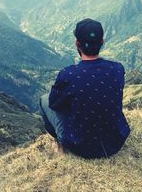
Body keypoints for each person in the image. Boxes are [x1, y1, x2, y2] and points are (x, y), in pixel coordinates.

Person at [39, 18, 131, 159]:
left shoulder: (68, 74)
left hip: (81, 147)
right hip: (115, 142)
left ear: (77, 43)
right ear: (102, 42)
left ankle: (61, 145)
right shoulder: (117, 69)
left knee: (44, 100)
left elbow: (54, 104)